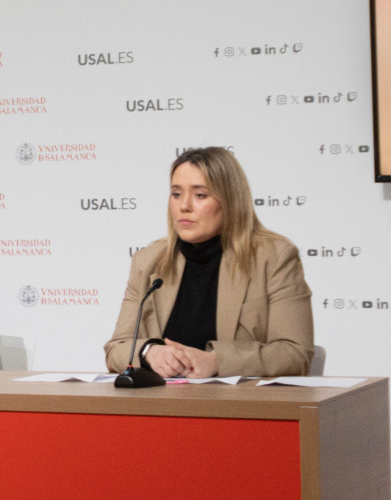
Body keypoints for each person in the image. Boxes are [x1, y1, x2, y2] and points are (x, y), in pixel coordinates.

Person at [104, 147, 312, 377]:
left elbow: (295, 354)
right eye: (176, 194)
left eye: (200, 195)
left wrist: (216, 362)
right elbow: (117, 348)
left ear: (230, 201)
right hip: (160, 405)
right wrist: (149, 352)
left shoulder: (273, 258)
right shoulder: (149, 261)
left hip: (239, 405)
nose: (184, 206)